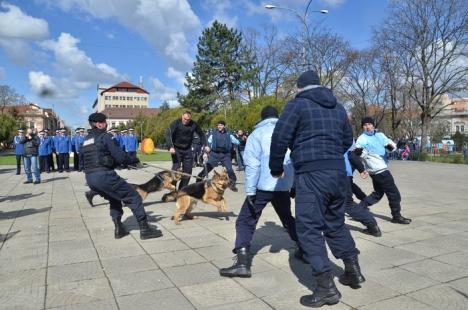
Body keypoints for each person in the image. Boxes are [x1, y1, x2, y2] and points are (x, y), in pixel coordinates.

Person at [269, 70, 364, 307]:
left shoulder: (297, 105)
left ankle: (326, 288)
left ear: (300, 88)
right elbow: (346, 141)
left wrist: (275, 167)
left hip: (312, 174)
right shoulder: (339, 108)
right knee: (335, 222)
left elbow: (280, 137)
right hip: (338, 174)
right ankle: (353, 270)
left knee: (309, 228)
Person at [220, 106, 303, 278]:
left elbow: (253, 165)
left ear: (262, 118)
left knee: (245, 220)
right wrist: (293, 184)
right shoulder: (289, 132)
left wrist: (250, 191)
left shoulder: (257, 134)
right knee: (287, 217)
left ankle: (242, 263)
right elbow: (295, 160)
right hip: (282, 184)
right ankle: (305, 249)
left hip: (262, 186)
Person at [81, 112, 162, 240]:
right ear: (99, 124)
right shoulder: (105, 136)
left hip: (90, 178)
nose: (106, 124)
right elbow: (119, 157)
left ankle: (119, 229)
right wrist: (133, 159)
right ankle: (145, 230)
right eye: (105, 122)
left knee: (114, 198)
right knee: (134, 197)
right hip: (104, 176)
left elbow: (82, 162)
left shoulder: (85, 141)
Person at [354, 117, 411, 225]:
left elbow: (389, 144)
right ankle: (396, 216)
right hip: (379, 169)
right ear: (363, 127)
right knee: (394, 194)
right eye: (365, 125)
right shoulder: (362, 138)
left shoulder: (379, 135)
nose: (367, 127)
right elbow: (359, 152)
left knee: (378, 193)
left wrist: (392, 147)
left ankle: (359, 209)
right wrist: (359, 152)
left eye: (369, 124)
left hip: (379, 169)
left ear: (373, 125)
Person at [165, 111, 207, 190]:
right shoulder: (176, 123)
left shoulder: (193, 124)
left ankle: (182, 190)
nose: (186, 121)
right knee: (176, 168)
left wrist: (206, 145)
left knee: (188, 171)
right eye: (184, 119)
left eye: (188, 120)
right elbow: (168, 134)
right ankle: (173, 189)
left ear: (190, 119)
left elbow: (201, 134)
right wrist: (170, 146)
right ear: (182, 116)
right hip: (176, 149)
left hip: (187, 149)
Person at [345, 149, 381, 237]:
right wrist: (361, 169)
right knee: (346, 204)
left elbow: (352, 155)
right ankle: (372, 225)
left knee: (345, 204)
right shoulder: (339, 140)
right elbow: (352, 155)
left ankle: (372, 224)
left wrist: (361, 169)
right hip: (344, 175)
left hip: (331, 174)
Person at [197, 120, 240, 191]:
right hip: (214, 154)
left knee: (229, 169)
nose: (219, 126)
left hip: (225, 155)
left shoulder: (229, 134)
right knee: (207, 168)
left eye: (221, 125)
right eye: (218, 125)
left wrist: (241, 140)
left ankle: (232, 183)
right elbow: (207, 144)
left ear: (224, 126)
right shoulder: (213, 134)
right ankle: (198, 180)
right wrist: (205, 153)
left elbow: (237, 142)